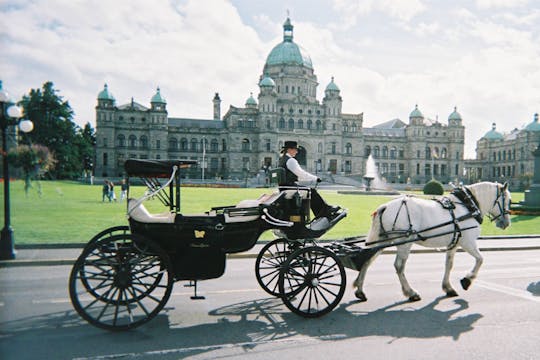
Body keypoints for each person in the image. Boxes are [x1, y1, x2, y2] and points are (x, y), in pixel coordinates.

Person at [278, 140, 341, 219]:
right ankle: (324, 212)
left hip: (284, 187)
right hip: (289, 187)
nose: (296, 152)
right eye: (295, 149)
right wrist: (315, 178)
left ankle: (322, 212)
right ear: (289, 150)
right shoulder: (291, 161)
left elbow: (295, 175)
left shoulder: (282, 160)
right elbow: (301, 174)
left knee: (308, 190)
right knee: (311, 191)